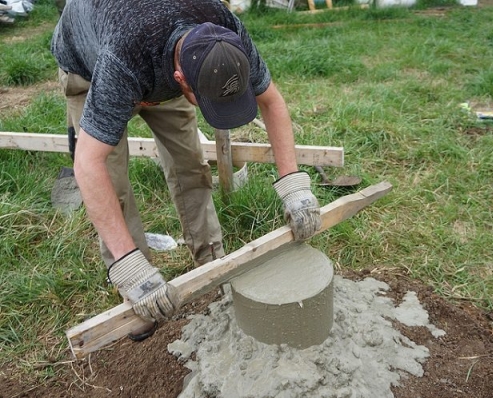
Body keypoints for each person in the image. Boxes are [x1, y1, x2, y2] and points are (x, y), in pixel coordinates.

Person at [51, 0, 321, 339]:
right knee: (113, 186)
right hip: (90, 67)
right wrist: (128, 266)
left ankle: (210, 263)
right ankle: (137, 288)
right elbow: (88, 163)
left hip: (162, 55)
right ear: (181, 79)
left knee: (192, 165)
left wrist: (295, 188)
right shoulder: (122, 60)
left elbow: (272, 100)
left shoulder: (224, 31)